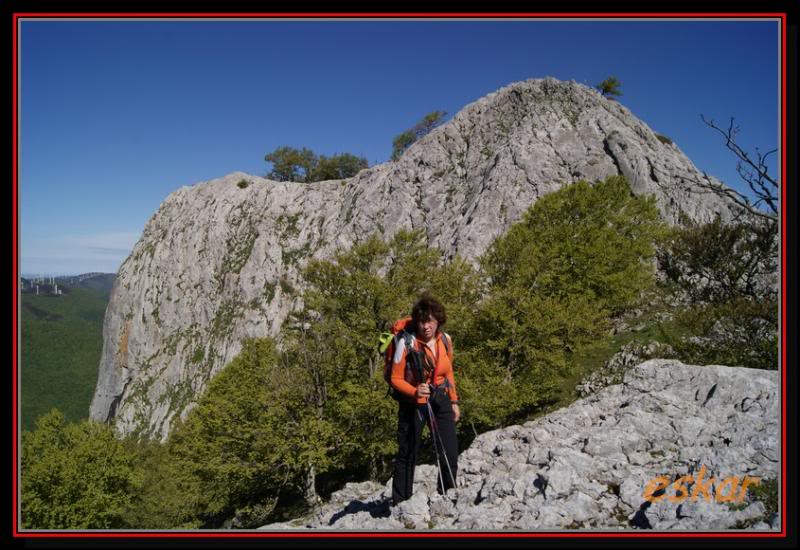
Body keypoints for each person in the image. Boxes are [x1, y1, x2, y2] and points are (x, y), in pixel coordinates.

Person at [389, 292, 460, 506]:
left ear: (438, 321)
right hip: (413, 403)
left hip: (441, 398)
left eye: (430, 321)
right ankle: (401, 502)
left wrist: (454, 402)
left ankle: (448, 495)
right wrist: (414, 392)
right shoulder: (407, 343)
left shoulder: (445, 341)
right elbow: (395, 378)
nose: (426, 326)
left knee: (450, 450)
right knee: (409, 452)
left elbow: (448, 372)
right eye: (421, 321)